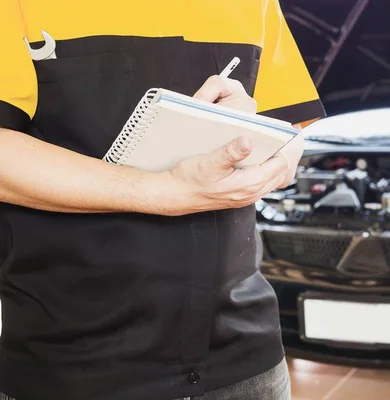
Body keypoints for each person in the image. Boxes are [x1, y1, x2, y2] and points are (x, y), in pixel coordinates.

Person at [0, 1, 325, 399]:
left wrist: (268, 154)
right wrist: (160, 191)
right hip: (76, 363)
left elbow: (289, 128)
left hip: (248, 361)